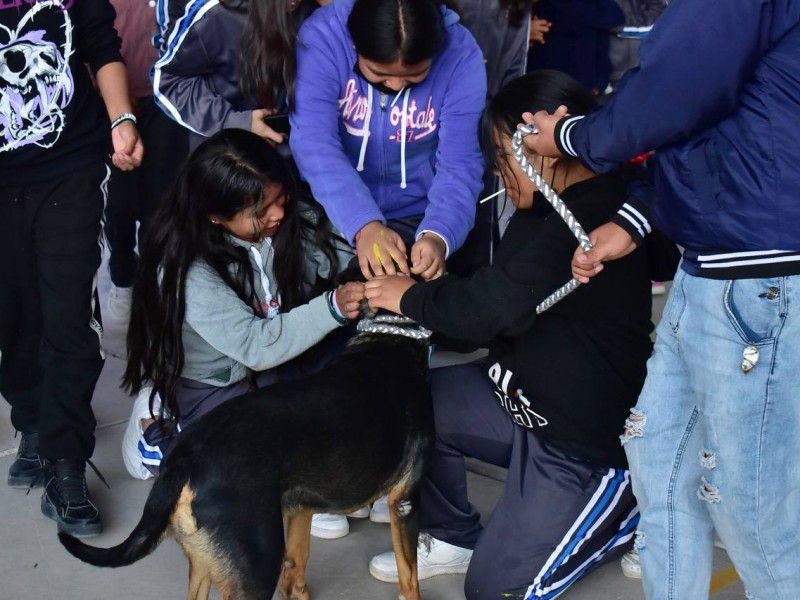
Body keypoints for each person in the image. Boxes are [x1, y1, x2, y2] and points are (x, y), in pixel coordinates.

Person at [524, 1, 800, 598]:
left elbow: (677, 93)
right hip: (718, 267)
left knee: (753, 513)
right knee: (661, 462)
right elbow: (717, 125)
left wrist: (571, 135)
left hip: (756, 274)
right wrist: (632, 221)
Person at [363, 71, 654, 599]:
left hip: (578, 440)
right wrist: (440, 286)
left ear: (545, 144)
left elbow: (490, 309)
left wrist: (407, 295)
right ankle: (453, 536)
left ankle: (625, 506)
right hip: (520, 399)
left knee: (496, 590)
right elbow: (502, 302)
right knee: (411, 402)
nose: (499, 170)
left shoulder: (592, 211)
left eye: (503, 154)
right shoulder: (542, 206)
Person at [120, 129, 365, 538]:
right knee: (239, 476)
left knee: (324, 410)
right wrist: (334, 307)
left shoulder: (289, 220)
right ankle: (155, 430)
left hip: (271, 368)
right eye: (260, 211)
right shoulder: (185, 267)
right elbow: (256, 345)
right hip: (216, 381)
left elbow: (346, 254)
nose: (277, 215)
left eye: (279, 199)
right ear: (215, 215)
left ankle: (298, 471)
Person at [1, 0, 143, 537]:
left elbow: (101, 44)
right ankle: (32, 418)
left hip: (71, 166)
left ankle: (65, 461)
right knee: (12, 313)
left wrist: (122, 118)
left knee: (67, 316)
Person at [289, 0, 487, 282]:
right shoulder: (323, 38)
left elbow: (460, 162)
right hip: (333, 209)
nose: (395, 86)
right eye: (379, 74)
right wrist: (363, 223)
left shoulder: (460, 55)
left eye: (415, 75)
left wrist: (439, 234)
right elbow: (314, 142)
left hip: (424, 209)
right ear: (355, 44)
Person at [104, 0, 190, 347]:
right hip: (107, 102)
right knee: (118, 203)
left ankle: (156, 288)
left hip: (166, 97)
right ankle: (124, 275)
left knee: (163, 200)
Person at [152, 0, 330, 149]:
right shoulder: (217, 15)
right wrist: (234, 122)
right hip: (233, 152)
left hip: (308, 147)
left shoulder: (323, 8)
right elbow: (168, 80)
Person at [525, 0, 624, 96]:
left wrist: (599, 82)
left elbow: (613, 16)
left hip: (581, 87)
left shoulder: (592, 7)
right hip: (541, 85)